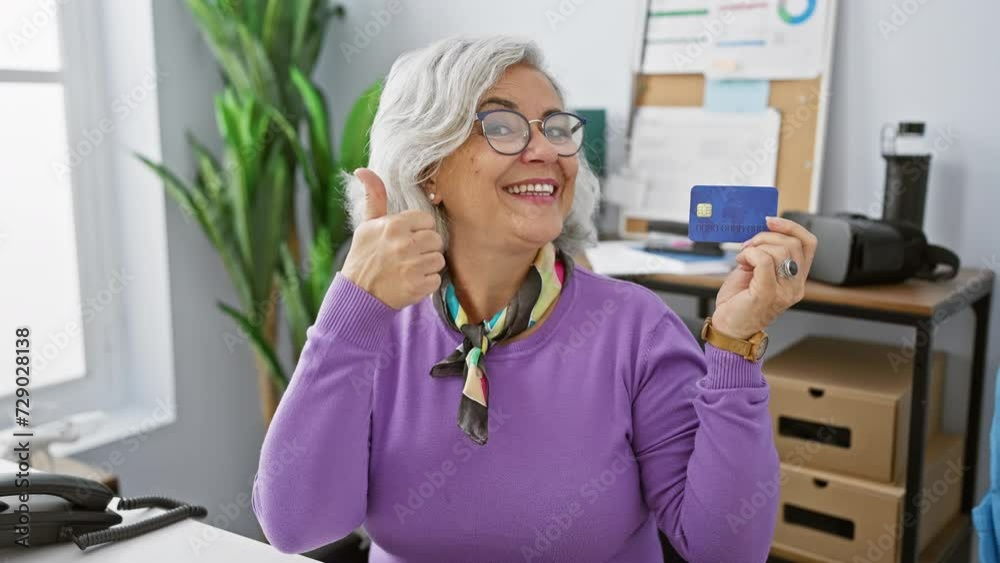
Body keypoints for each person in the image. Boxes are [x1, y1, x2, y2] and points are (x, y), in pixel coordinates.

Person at [252, 35, 817, 563]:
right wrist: (350, 317)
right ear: (428, 169)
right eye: (502, 126)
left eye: (555, 127)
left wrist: (734, 346)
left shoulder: (635, 329)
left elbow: (724, 549)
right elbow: (298, 527)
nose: (545, 149)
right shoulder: (375, 327)